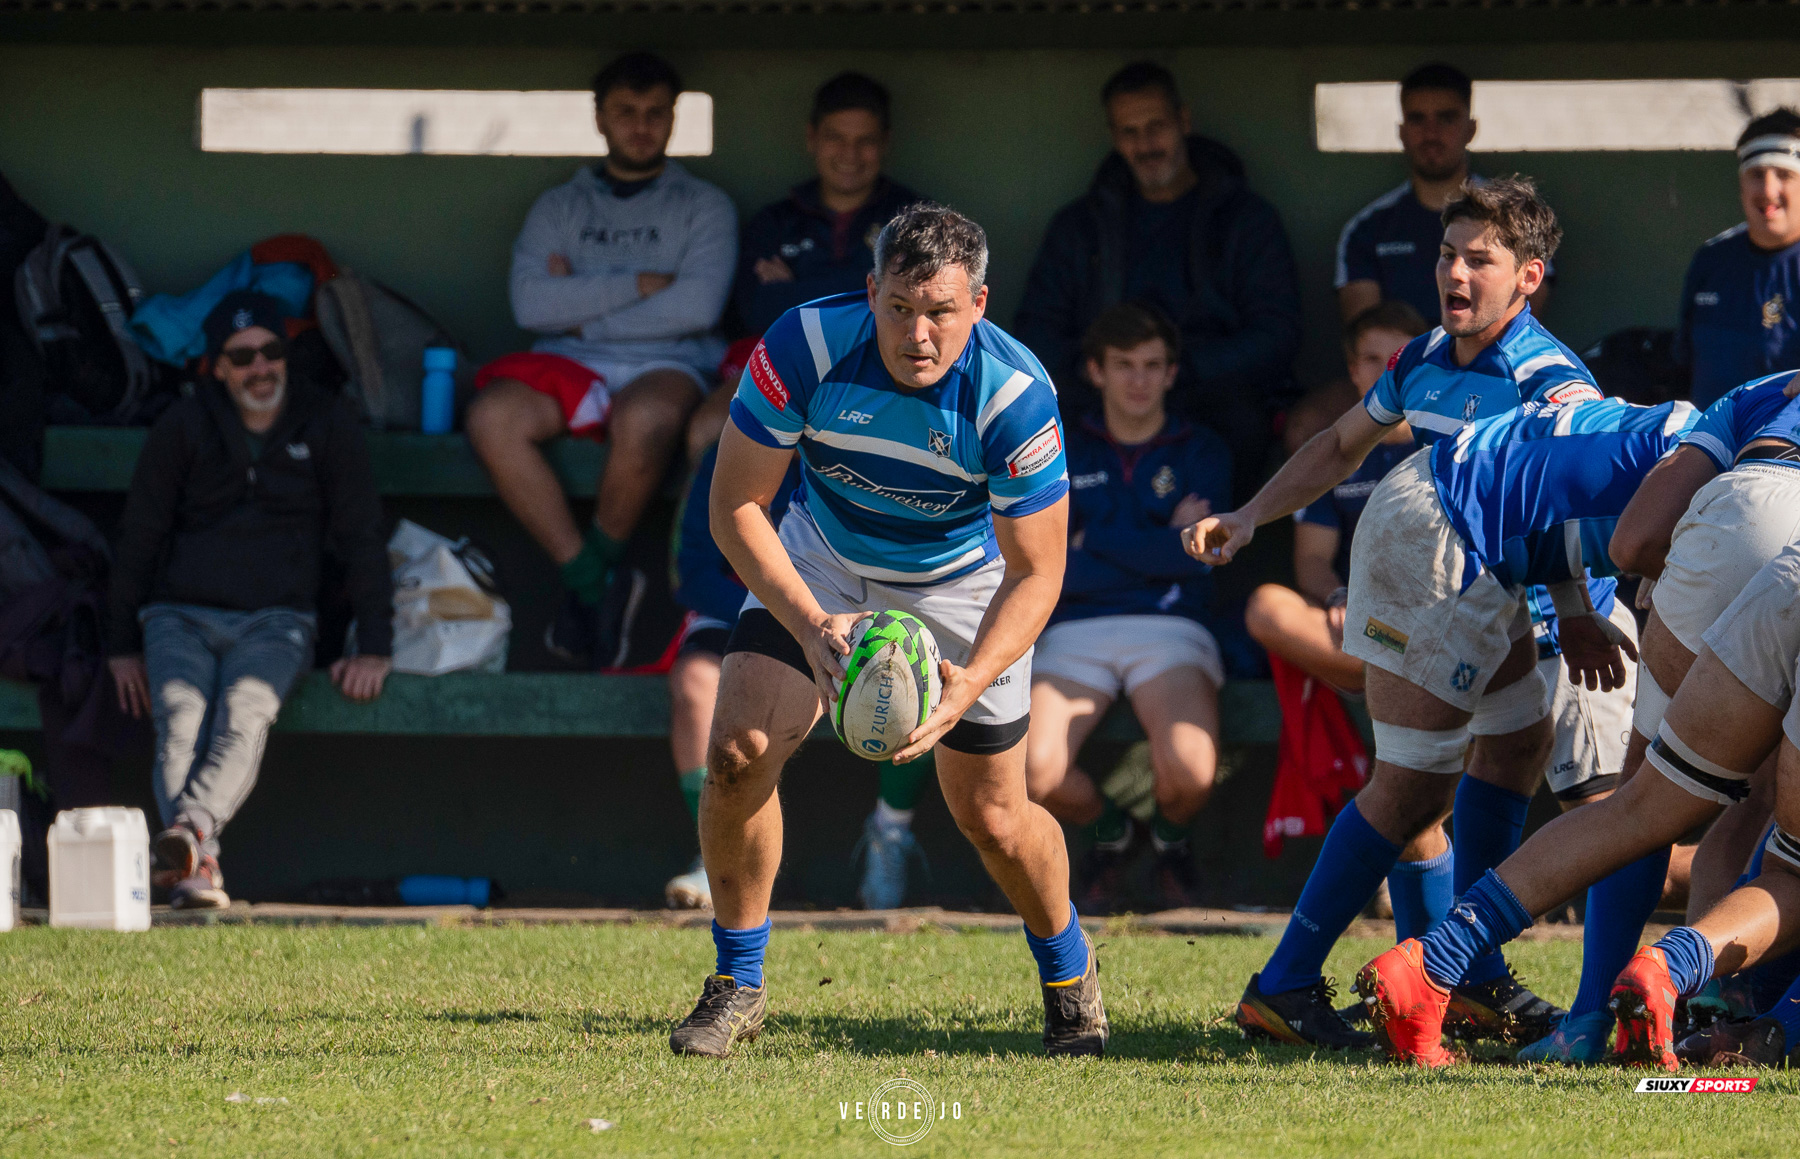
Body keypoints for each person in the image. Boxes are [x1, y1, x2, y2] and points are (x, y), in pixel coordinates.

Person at [668, 204, 1108, 1060]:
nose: (918, 334)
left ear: (979, 304)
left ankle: (1069, 973)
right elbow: (735, 507)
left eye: (940, 311)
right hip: (825, 559)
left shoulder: (1015, 397)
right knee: (738, 751)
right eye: (900, 307)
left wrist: (970, 681)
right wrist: (810, 623)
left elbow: (1037, 572)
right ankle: (737, 982)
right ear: (870, 291)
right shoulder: (805, 344)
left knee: (993, 816)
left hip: (964, 581)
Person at [1189, 176, 1604, 1049]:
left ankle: (1467, 973)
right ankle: (1286, 985)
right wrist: (1251, 514)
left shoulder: (1551, 380)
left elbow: (1565, 503)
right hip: (1427, 585)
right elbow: (1341, 444)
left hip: (1505, 597)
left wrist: (1571, 609)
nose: (1454, 273)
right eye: (1448, 254)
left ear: (1529, 277)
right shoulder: (1421, 357)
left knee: (1516, 745)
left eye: (1478, 260)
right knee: (1412, 785)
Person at [1361, 372, 1800, 1065]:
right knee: (1789, 852)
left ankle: (1459, 966)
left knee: (1643, 806)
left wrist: (1672, 579)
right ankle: (1735, 1011)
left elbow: (1631, 544)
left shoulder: (1764, 391)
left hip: (1743, 520)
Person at [104, 291, 394, 910]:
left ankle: (188, 837)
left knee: (244, 711)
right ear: (218, 367)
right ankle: (199, 863)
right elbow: (140, 537)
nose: (260, 367)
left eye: (271, 351)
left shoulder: (325, 420)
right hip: (179, 614)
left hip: (278, 620)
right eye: (242, 357)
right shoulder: (184, 424)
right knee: (179, 719)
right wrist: (120, 644)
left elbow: (362, 535)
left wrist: (375, 645)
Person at [465, 52, 737, 666]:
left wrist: (580, 303)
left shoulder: (703, 204)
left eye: (655, 113)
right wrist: (639, 283)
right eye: (625, 112)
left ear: (673, 118)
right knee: (491, 417)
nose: (640, 126)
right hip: (569, 360)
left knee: (647, 419)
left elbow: (696, 307)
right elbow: (531, 304)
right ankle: (591, 582)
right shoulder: (560, 206)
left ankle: (596, 570)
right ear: (599, 117)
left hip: (666, 361)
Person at [1023, 303, 1231, 914]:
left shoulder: (1203, 449)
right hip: (1073, 628)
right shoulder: (1059, 447)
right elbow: (1048, 565)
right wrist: (1163, 542)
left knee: (1190, 773)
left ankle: (1169, 840)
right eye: (1123, 365)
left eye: (1152, 365)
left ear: (1171, 373)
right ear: (1096, 370)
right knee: (1033, 773)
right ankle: (1113, 832)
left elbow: (1200, 559)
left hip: (1171, 628)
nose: (1139, 380)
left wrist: (1092, 541)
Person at [1015, 60, 1301, 501]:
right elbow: (1037, 328)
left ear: (1183, 121)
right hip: (1101, 396)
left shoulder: (1245, 219)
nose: (1145, 144)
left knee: (1243, 418)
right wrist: (1095, 371)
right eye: (1129, 132)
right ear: (1114, 137)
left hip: (1207, 393)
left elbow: (1276, 333)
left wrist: (1184, 370)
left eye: (1156, 127)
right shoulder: (1081, 225)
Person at [1334, 64, 1552, 325]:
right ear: (1401, 132)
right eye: (1417, 119)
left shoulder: (1516, 219)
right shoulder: (1366, 230)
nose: (1431, 133)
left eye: (1446, 118)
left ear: (1471, 129)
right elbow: (1369, 339)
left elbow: (1517, 329)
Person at [733, 72, 923, 339]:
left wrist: (793, 291)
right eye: (836, 138)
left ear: (884, 142)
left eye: (865, 141)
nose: (850, 154)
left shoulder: (917, 220)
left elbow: (922, 305)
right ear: (812, 138)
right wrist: (879, 288)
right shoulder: (774, 222)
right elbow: (756, 312)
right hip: (793, 354)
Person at [1676, 109, 1800, 410]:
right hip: (1708, 435)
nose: (1768, 191)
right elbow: (1683, 365)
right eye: (1756, 175)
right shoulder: (1712, 260)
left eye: (1784, 175)